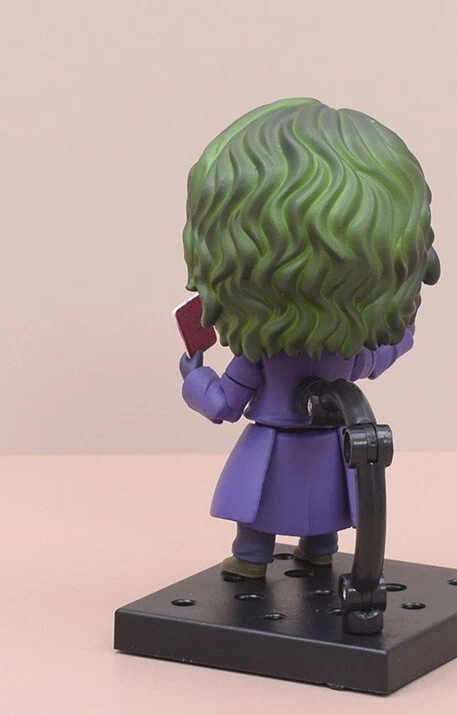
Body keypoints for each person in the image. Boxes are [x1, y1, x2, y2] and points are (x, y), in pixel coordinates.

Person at [178, 98, 440, 578]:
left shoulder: (259, 356)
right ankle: (318, 548)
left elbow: (223, 404)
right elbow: (377, 358)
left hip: (274, 446)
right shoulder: (347, 353)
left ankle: (254, 558)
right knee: (325, 505)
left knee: (259, 508)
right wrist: (404, 332)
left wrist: (194, 376)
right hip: (330, 449)